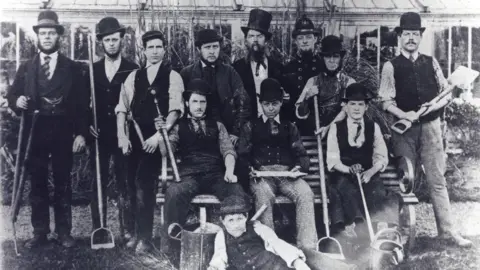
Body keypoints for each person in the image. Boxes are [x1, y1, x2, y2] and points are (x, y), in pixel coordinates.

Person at [378, 12, 472, 248]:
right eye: (406, 34)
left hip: (430, 128)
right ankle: (402, 233)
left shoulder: (431, 62)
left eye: (415, 34)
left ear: (420, 37)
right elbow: (386, 102)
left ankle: (448, 232)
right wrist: (405, 115)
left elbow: (445, 94)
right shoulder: (390, 66)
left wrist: (448, 96)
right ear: (399, 37)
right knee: (404, 181)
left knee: (437, 180)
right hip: (403, 130)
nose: (411, 38)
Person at [7, 10, 89, 248]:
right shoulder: (27, 67)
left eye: (51, 33)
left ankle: (64, 232)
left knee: (63, 181)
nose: (46, 37)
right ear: (37, 37)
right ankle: (40, 232)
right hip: (35, 131)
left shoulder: (72, 67)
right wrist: (17, 101)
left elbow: (82, 104)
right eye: (43, 33)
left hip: (63, 130)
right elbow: (13, 94)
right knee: (38, 181)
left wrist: (81, 133)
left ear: (58, 37)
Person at [115, 30, 184, 253]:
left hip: (156, 138)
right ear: (144, 51)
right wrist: (122, 137)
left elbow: (175, 111)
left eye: (158, 47)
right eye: (150, 47)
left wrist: (157, 137)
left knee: (144, 185)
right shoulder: (133, 76)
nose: (154, 51)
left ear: (164, 49)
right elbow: (122, 110)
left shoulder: (173, 76)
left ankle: (145, 237)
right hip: (133, 137)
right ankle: (133, 233)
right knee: (129, 184)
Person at [161, 78, 247, 255]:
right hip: (189, 175)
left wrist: (229, 171)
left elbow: (228, 151)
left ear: (207, 103)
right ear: (187, 103)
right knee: (174, 193)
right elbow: (165, 151)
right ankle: (173, 248)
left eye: (202, 102)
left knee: (236, 192)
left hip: (215, 175)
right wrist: (162, 132)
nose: (199, 106)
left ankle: (238, 245)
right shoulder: (178, 127)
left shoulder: (218, 126)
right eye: (195, 101)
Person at [237, 78, 317, 250]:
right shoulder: (250, 126)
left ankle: (308, 248)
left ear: (281, 103)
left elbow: (301, 154)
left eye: (275, 103)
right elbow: (242, 155)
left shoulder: (290, 127)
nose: (271, 108)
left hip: (287, 175)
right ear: (261, 104)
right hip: (262, 176)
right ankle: (271, 247)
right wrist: (249, 170)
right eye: (266, 104)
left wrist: (299, 168)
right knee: (263, 195)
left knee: (305, 193)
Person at [326, 83, 398, 243]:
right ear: (345, 106)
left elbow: (381, 157)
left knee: (377, 190)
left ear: (366, 107)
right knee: (348, 192)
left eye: (360, 104)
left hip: (367, 174)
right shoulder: (336, 128)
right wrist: (348, 169)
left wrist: (370, 172)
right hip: (343, 175)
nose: (356, 108)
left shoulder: (374, 127)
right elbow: (332, 160)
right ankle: (362, 234)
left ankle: (382, 235)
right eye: (352, 104)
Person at [89, 16, 139, 243]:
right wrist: (87, 124)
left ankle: (127, 229)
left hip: (123, 134)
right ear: (101, 42)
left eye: (115, 39)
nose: (111, 44)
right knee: (97, 181)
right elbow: (82, 102)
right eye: (107, 40)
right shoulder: (91, 70)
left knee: (125, 181)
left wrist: (129, 127)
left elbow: (137, 103)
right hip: (98, 134)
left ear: (122, 40)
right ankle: (98, 228)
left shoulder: (133, 69)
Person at [180, 28, 250, 144]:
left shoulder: (229, 72)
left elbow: (243, 103)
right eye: (207, 47)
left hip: (227, 132)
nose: (212, 51)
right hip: (195, 134)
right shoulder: (187, 73)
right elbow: (181, 106)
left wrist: (235, 132)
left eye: (215, 47)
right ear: (199, 49)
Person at [208, 195, 310, 270]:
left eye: (239, 218)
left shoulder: (257, 228)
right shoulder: (221, 236)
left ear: (246, 216)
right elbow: (219, 258)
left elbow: (276, 243)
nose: (236, 224)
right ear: (222, 221)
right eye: (231, 220)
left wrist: (296, 262)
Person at [295, 35, 355, 137]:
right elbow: (300, 115)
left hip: (339, 137)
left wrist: (328, 128)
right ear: (322, 58)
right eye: (328, 56)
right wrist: (306, 98)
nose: (332, 60)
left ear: (341, 58)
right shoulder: (312, 81)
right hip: (315, 136)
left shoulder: (349, 83)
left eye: (335, 56)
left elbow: (349, 112)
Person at [233, 9, 287, 119]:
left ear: (266, 40)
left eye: (260, 36)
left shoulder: (278, 68)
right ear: (246, 40)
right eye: (251, 36)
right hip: (248, 125)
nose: (255, 40)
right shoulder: (237, 68)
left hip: (273, 125)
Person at [284, 15, 322, 134]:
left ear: (315, 39)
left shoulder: (323, 66)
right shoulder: (287, 68)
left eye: (309, 37)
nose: (305, 41)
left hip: (319, 126)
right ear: (296, 41)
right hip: (296, 128)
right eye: (300, 38)